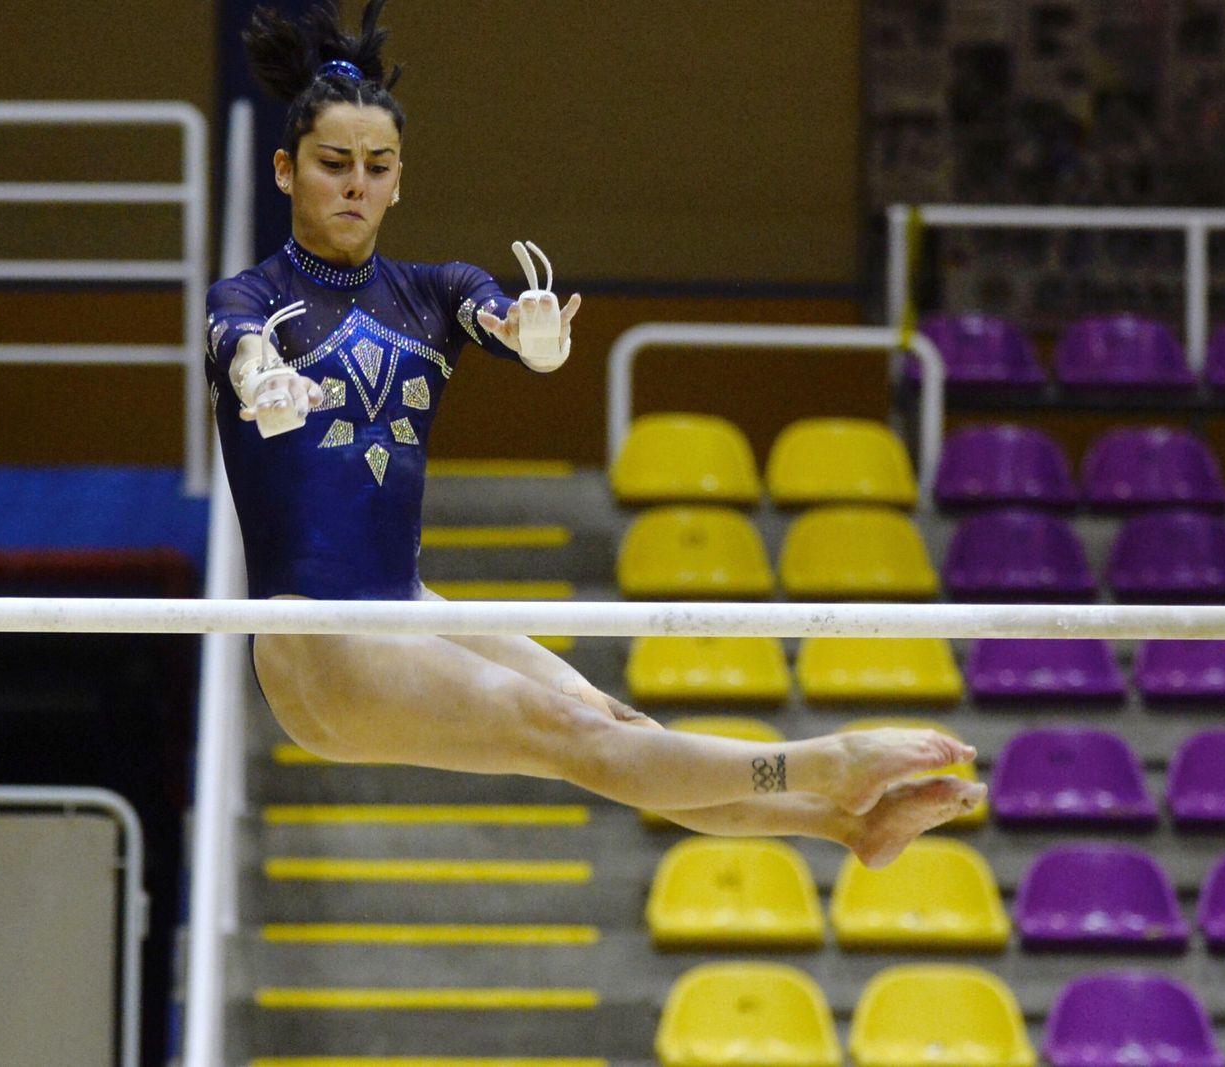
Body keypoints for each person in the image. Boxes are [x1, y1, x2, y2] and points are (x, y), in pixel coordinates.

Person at [206, 0, 984, 868]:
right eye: (332, 164)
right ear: (283, 170)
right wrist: (263, 381)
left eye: (377, 166)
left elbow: (500, 316)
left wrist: (533, 333)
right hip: (317, 639)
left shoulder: (433, 290)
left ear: (401, 178)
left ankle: (841, 822)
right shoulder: (248, 300)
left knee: (615, 729)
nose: (356, 184)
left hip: (404, 611)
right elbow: (241, 351)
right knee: (571, 728)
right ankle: (824, 763)